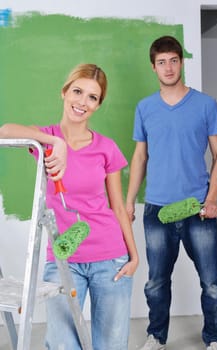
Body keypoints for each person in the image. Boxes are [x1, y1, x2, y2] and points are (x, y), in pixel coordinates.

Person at [0, 63, 139, 350]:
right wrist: (55, 143)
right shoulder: (44, 139)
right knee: (62, 345)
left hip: (110, 258)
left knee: (110, 346)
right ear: (64, 92)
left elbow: (117, 206)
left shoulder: (106, 147)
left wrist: (134, 256)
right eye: (77, 91)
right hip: (63, 260)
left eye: (92, 97)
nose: (82, 102)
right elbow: (4, 131)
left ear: (98, 105)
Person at [126, 36, 217, 350]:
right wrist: (129, 201)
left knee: (211, 283)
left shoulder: (206, 104)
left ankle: (213, 338)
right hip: (156, 209)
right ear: (153, 67)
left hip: (197, 206)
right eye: (161, 62)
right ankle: (156, 336)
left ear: (181, 62)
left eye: (173, 60)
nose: (168, 67)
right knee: (156, 282)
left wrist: (211, 199)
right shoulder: (145, 108)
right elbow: (140, 156)